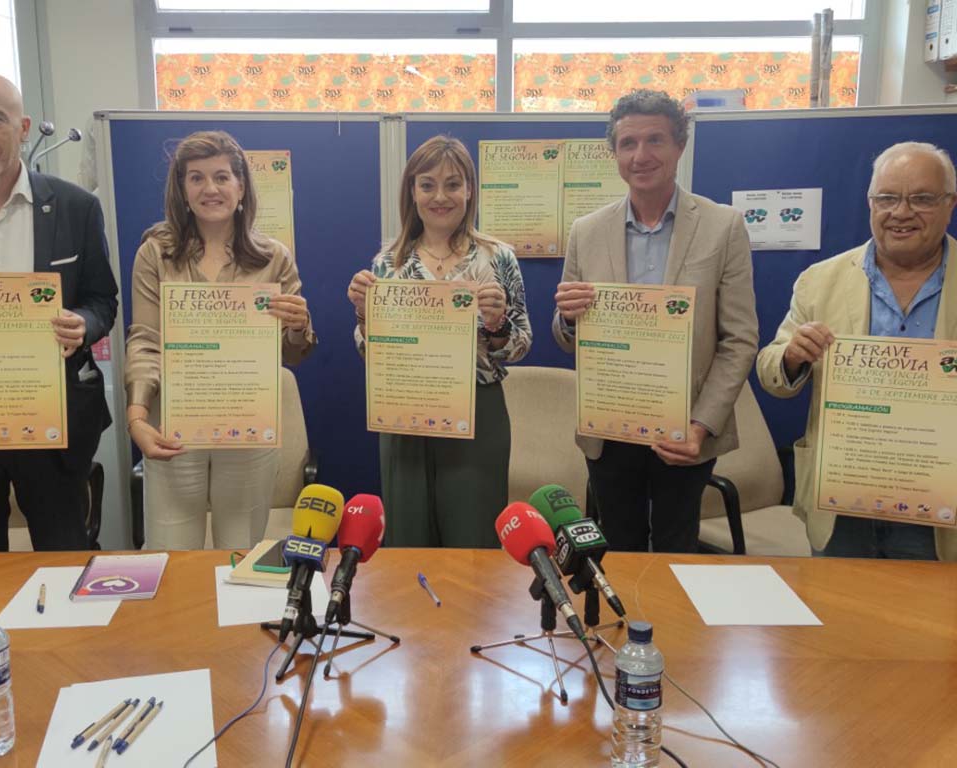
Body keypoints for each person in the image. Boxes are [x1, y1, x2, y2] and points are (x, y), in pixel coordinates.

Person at [552, 89, 758, 553]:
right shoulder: (586, 231)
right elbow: (568, 337)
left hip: (684, 431)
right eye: (628, 144)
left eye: (655, 140)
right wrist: (568, 319)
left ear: (679, 146)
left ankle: (673, 629)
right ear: (615, 154)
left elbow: (740, 341)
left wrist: (701, 426)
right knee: (618, 549)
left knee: (676, 549)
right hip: (610, 430)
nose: (640, 155)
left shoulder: (723, 226)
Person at [0, 72, 118, 551]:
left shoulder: (76, 206)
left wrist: (83, 324)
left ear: (23, 126)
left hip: (53, 422)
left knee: (64, 560)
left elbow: (103, 299)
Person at [757, 141, 957, 561]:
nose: (901, 212)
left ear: (949, 203)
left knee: (928, 626)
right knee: (839, 621)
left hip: (939, 509)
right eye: (887, 198)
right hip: (844, 501)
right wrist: (793, 356)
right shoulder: (820, 279)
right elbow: (771, 371)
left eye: (921, 198)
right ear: (870, 203)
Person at [125, 130, 316, 550]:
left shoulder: (273, 257)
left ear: (241, 186)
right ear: (182, 189)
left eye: (221, 177)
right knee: (171, 556)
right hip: (173, 428)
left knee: (240, 555)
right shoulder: (155, 253)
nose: (209, 188)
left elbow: (291, 353)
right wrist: (137, 417)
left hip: (246, 426)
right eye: (196, 178)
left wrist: (299, 325)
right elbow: (145, 340)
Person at [347, 135, 532, 547]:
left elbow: (521, 343)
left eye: (453, 184)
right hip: (404, 411)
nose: (440, 196)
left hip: (476, 414)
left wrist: (498, 322)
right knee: (409, 539)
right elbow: (370, 354)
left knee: (473, 540)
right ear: (412, 192)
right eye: (427, 184)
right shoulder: (388, 263)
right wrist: (364, 314)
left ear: (470, 189)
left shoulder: (496, 257)